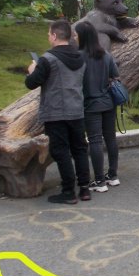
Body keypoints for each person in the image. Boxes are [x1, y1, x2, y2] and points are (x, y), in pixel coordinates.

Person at [25, 20, 91, 204]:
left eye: (49, 34)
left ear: (54, 36)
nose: (48, 37)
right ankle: (84, 189)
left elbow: (32, 83)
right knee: (79, 149)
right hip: (77, 110)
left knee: (60, 151)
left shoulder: (47, 59)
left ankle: (68, 191)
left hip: (56, 112)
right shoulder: (80, 58)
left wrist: (32, 71)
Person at [76, 20, 122, 192]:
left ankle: (100, 181)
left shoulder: (78, 57)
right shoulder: (106, 55)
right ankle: (113, 176)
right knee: (110, 138)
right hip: (108, 103)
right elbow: (115, 75)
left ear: (82, 37)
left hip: (90, 105)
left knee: (95, 140)